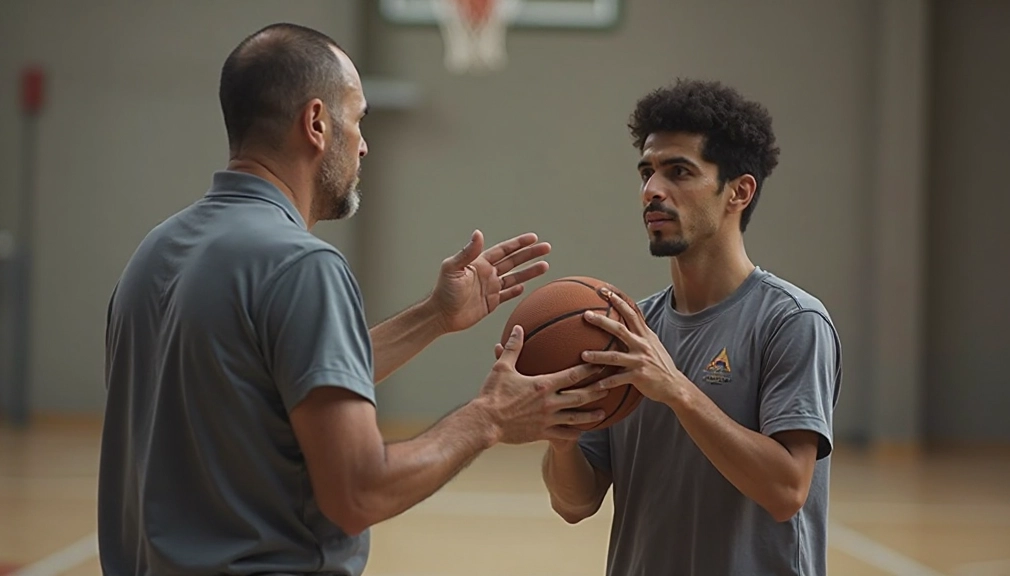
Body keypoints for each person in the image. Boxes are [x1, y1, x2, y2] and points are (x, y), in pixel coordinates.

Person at [97, 23, 609, 576]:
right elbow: (358, 493)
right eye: (358, 118)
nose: (364, 143)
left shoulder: (154, 254)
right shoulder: (302, 266)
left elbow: (277, 382)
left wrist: (433, 316)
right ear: (316, 123)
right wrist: (489, 417)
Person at [538, 79, 843, 575]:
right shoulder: (628, 331)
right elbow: (575, 504)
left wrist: (677, 389)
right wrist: (561, 436)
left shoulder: (792, 322)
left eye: (679, 172)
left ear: (739, 191)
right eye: (646, 172)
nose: (652, 191)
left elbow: (787, 490)